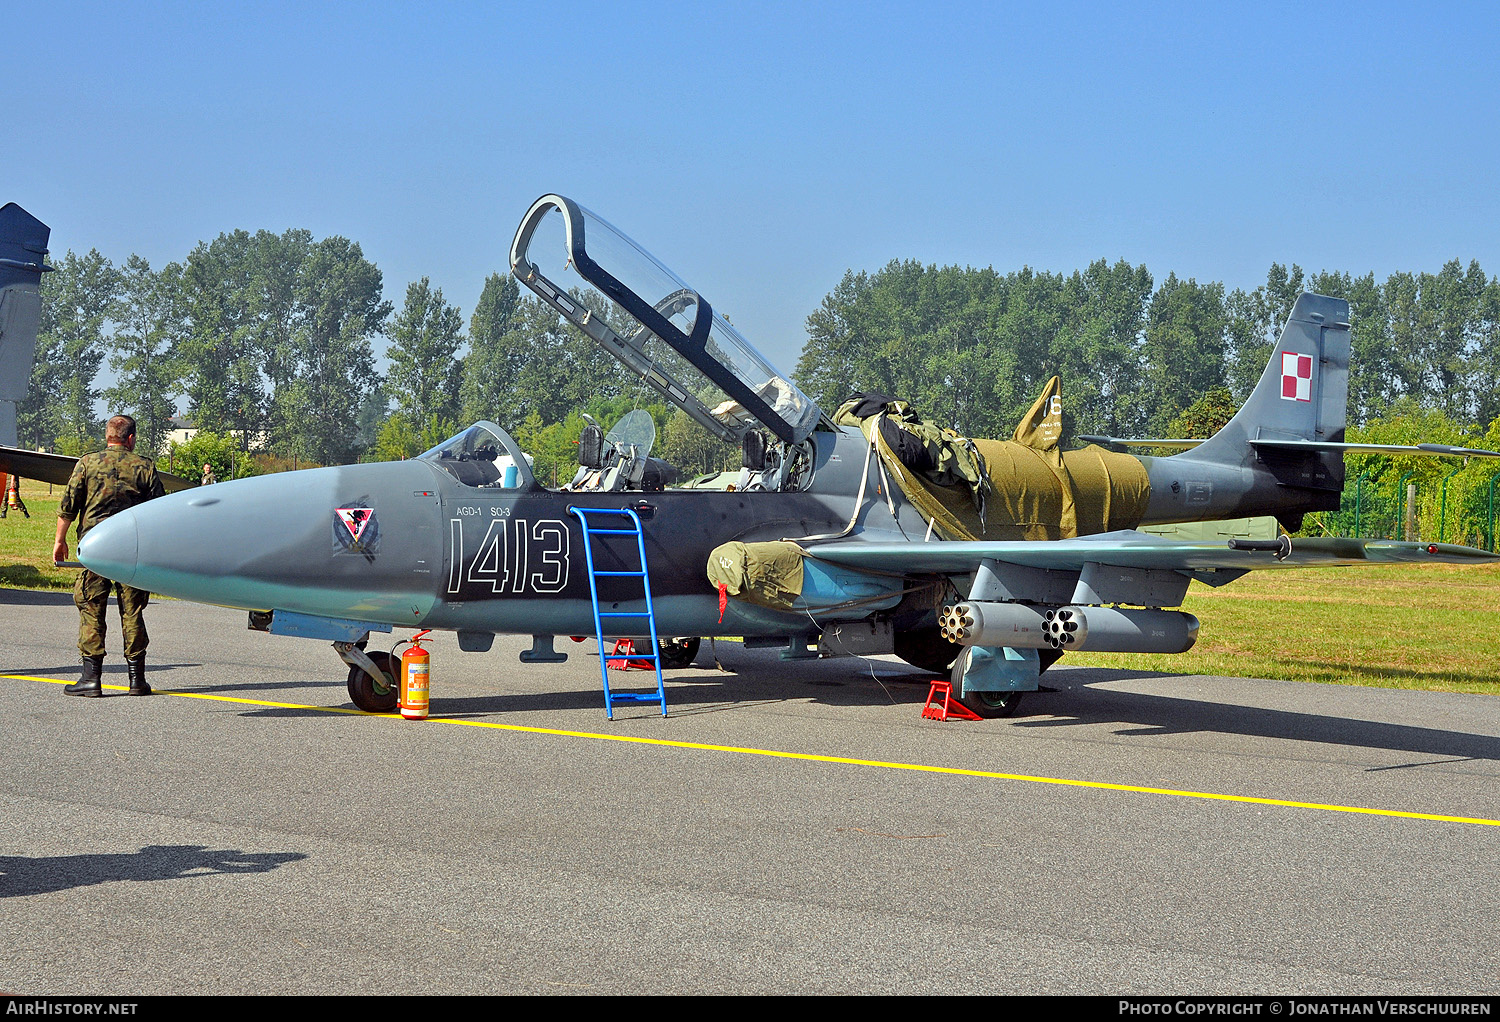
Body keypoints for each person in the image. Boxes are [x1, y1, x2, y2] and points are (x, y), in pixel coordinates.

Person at [53, 415, 166, 697]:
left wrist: (59, 540)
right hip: (132, 552)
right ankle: (136, 680)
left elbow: (68, 505)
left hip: (95, 550)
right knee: (133, 612)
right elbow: (160, 511)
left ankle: (91, 679)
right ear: (131, 438)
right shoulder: (144, 467)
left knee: (91, 609)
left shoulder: (87, 463)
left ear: (108, 436)